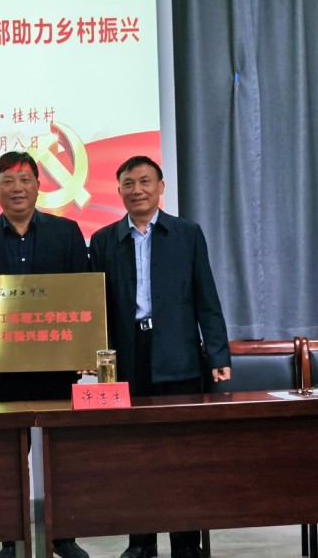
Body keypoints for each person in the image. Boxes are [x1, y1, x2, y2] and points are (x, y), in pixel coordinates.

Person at [89, 156, 231, 558]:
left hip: (178, 353)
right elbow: (94, 308)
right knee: (134, 454)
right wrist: (92, 357)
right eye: (128, 183)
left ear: (161, 187)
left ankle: (186, 544)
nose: (137, 190)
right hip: (127, 357)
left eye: (145, 181)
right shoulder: (103, 240)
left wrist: (218, 353)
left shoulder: (187, 233)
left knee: (181, 453)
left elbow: (206, 298)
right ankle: (141, 543)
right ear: (119, 190)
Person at [0, 150, 90, 558]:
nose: (17, 188)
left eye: (25, 180)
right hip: (3, 372)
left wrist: (83, 350)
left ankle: (63, 536)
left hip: (58, 365)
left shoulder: (67, 233)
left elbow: (82, 293)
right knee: (10, 459)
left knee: (59, 455)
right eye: (8, 181)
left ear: (38, 185)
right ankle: (11, 541)